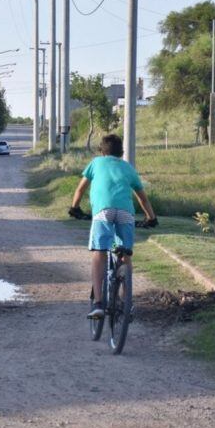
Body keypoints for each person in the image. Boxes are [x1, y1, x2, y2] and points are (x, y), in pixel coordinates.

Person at [69, 134, 157, 319]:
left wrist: (75, 208)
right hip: (126, 213)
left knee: (99, 253)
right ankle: (126, 304)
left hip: (103, 211)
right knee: (125, 255)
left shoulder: (95, 163)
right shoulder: (128, 168)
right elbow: (142, 198)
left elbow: (80, 189)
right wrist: (151, 217)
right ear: (121, 152)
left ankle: (99, 303)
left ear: (102, 151)